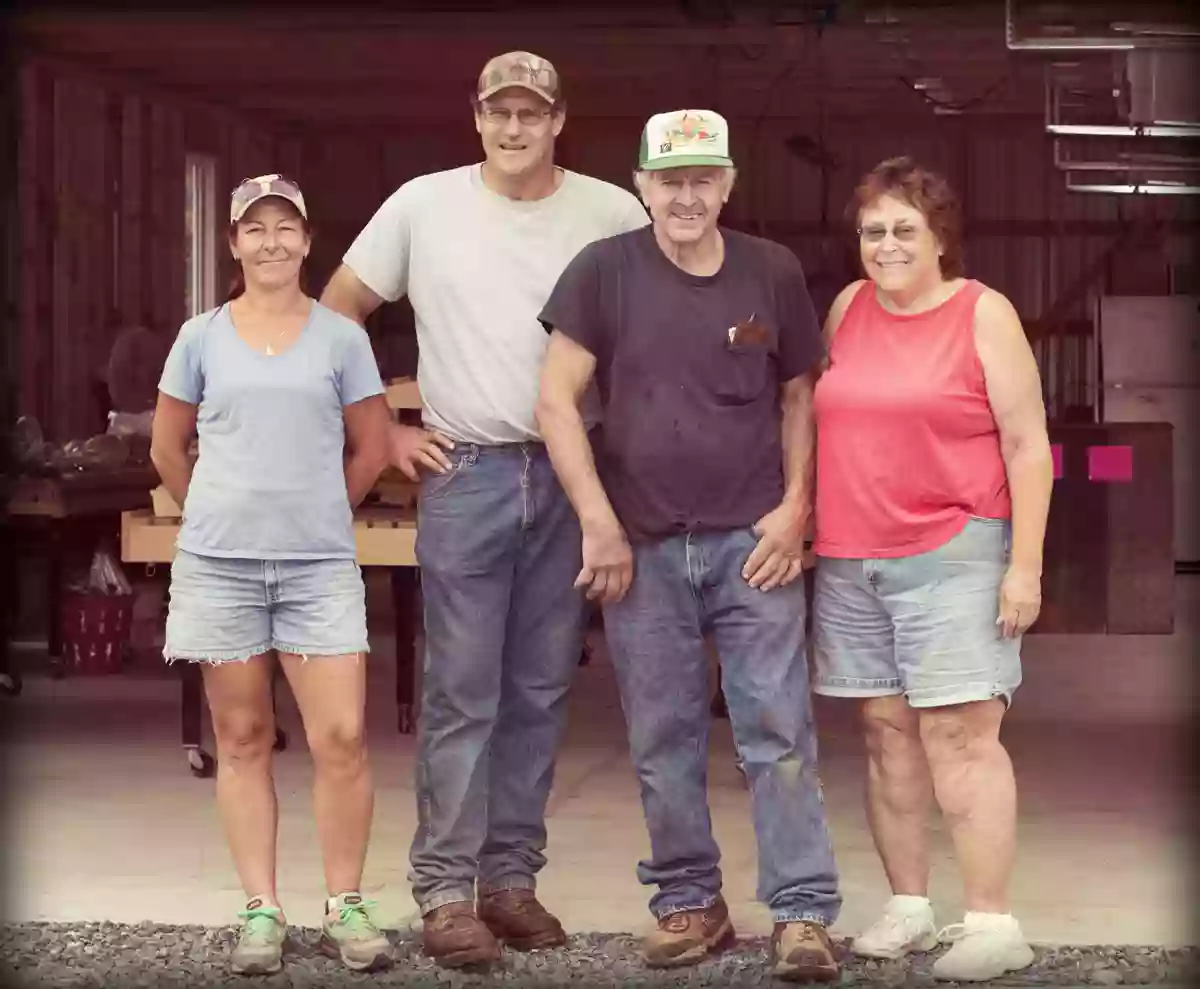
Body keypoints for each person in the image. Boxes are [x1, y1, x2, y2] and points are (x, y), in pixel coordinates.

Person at [319, 52, 649, 969]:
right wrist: (383, 429)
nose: (514, 129)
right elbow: (338, 308)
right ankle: (444, 890)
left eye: (531, 114)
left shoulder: (610, 212)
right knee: (464, 689)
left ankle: (510, 881)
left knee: (540, 688)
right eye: (499, 113)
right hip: (464, 469)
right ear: (476, 119)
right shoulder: (422, 205)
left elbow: (659, 320)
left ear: (557, 121)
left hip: (567, 471)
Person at [535, 109, 842, 983]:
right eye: (669, 179)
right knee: (663, 734)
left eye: (702, 178)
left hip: (756, 545)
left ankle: (801, 912)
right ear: (641, 186)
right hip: (644, 548)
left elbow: (798, 398)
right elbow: (557, 400)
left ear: (728, 184)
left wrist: (795, 511)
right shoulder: (604, 272)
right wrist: (597, 520)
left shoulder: (770, 271)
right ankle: (689, 901)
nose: (686, 196)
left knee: (776, 731)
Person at [811, 156, 1053, 982]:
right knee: (886, 738)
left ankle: (992, 919)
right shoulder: (846, 309)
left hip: (955, 551)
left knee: (960, 736)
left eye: (904, 229)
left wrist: (1025, 567)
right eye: (873, 230)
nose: (886, 245)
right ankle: (910, 904)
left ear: (939, 236)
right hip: (851, 558)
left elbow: (1028, 446)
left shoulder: (984, 313)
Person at [151, 174, 394, 976]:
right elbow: (166, 449)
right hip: (220, 569)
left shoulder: (340, 339)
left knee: (342, 738)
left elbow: (371, 446)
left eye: (284, 226)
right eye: (253, 229)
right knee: (243, 737)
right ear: (232, 243)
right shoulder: (200, 336)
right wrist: (218, 514)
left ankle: (345, 906)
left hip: (318, 567)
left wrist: (321, 509)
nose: (270, 242)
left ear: (307, 238)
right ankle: (261, 908)